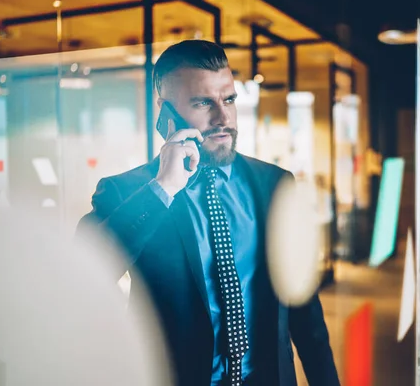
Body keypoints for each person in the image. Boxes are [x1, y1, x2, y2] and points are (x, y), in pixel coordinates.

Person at [77, 40, 339, 386]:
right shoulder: (128, 191)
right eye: (203, 102)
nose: (223, 117)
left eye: (228, 99)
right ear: (164, 111)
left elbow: (307, 317)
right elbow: (85, 271)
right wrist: (163, 189)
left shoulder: (275, 184)